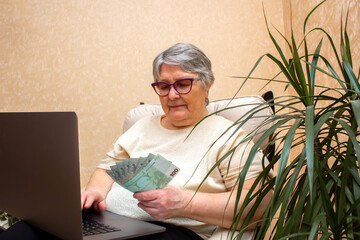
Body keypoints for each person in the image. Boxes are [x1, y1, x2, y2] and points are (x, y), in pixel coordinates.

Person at [81, 42, 272, 240]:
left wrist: (184, 203)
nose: (172, 95)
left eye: (182, 84)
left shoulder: (228, 136)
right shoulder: (141, 126)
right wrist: (95, 191)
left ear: (206, 86)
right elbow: (107, 168)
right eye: (163, 86)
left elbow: (258, 205)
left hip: (169, 232)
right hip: (107, 224)